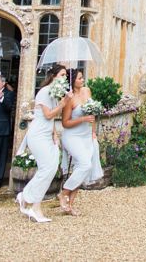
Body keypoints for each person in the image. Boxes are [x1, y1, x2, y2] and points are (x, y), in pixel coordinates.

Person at [15, 63, 70, 223]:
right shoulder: (45, 92)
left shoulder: (54, 93)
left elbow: (51, 120)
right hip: (38, 134)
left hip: (47, 134)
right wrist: (62, 104)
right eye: (62, 75)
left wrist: (55, 135)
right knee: (46, 169)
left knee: (51, 168)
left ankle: (25, 197)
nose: (64, 77)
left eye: (65, 75)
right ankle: (34, 205)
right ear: (53, 76)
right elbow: (47, 115)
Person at [60, 68, 104, 215]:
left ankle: (70, 206)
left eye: (82, 77)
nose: (82, 80)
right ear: (72, 81)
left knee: (82, 169)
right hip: (72, 136)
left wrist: (93, 132)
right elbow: (65, 123)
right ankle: (64, 193)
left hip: (86, 136)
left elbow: (92, 114)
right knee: (85, 164)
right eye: (79, 78)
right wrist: (83, 119)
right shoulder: (69, 98)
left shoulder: (87, 91)